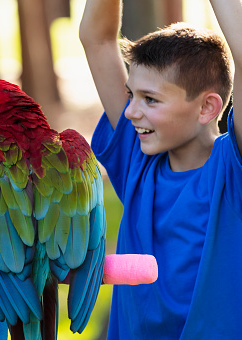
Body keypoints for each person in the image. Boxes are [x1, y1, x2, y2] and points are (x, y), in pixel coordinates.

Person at [80, 0, 242, 339]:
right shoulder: (136, 160)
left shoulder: (232, 171)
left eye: (150, 99)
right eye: (130, 95)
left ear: (207, 107)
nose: (129, 112)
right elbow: (96, 39)